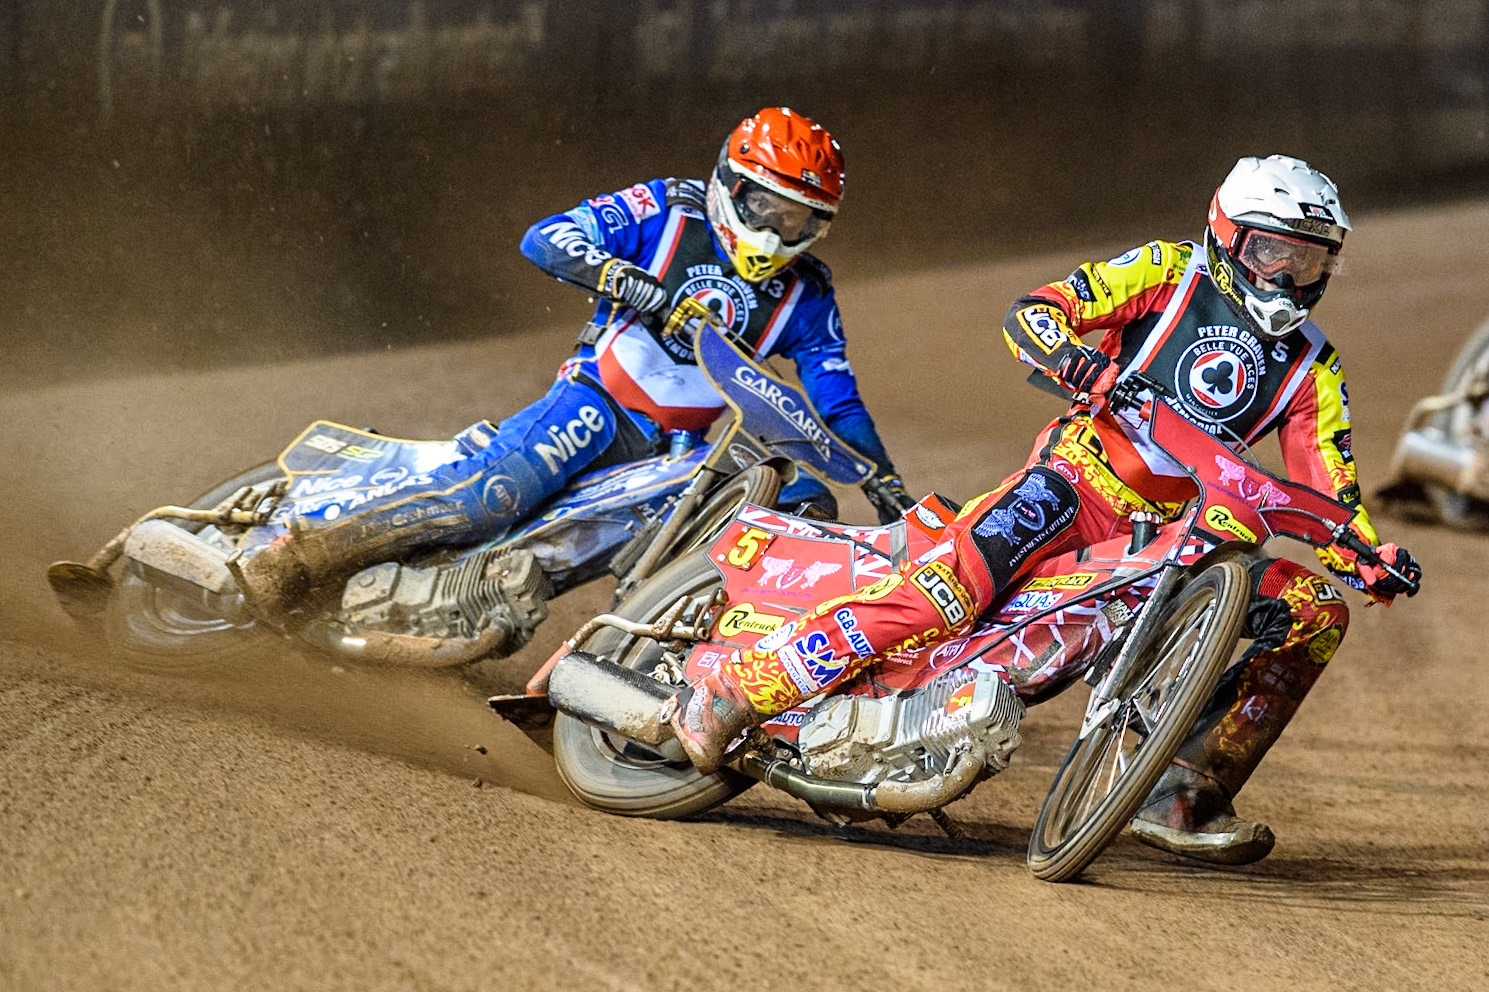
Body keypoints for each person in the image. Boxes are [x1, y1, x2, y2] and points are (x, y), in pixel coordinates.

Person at [668, 154, 1422, 866]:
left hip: (1179, 537)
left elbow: (1332, 496)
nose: (1290, 278)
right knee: (947, 593)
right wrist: (1074, 358)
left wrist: (1370, 557)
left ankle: (1178, 789)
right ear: (1227, 236)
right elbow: (1037, 313)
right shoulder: (1167, 271)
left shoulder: (1313, 367)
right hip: (1069, 481)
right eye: (1272, 254)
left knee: (1315, 611)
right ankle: (741, 689)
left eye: (1312, 261)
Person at [231, 107, 912, 613]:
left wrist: (883, 487)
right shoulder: (669, 210)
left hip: (679, 451)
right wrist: (637, 284)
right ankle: (301, 555)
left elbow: (836, 401)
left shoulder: (807, 294)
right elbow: (546, 237)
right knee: (493, 497)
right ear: (731, 186)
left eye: (797, 221)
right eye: (765, 207)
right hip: (596, 403)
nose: (774, 231)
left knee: (788, 510)